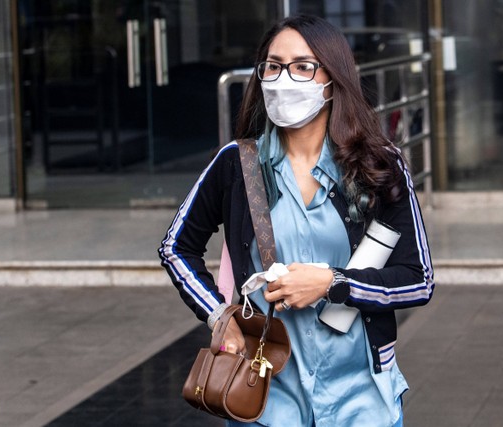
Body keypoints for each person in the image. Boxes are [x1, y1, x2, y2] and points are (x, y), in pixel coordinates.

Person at [159, 14, 434, 427]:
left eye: (303, 66)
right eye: (273, 65)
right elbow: (175, 247)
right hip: (266, 398)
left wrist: (333, 284)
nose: (284, 79)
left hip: (361, 400)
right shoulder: (237, 164)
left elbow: (418, 279)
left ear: (332, 78)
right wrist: (219, 318)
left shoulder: (379, 166)